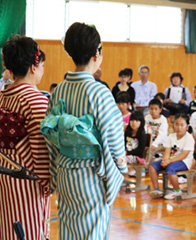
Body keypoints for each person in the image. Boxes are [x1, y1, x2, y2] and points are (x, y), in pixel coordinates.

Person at [40, 22, 127, 239]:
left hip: (65, 173)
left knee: (69, 230)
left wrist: (54, 173)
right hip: (91, 175)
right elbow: (114, 138)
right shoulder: (99, 92)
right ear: (96, 54)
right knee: (92, 233)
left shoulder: (59, 90)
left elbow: (51, 138)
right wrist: (121, 166)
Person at [0, 36, 50, 240]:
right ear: (33, 66)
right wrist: (48, 184)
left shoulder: (3, 96)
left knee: (6, 230)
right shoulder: (36, 100)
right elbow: (40, 151)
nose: (43, 70)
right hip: (27, 183)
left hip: (4, 177)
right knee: (28, 232)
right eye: (42, 65)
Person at [149, 113, 195, 199]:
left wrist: (169, 161)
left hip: (184, 162)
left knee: (170, 168)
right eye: (176, 124)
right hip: (171, 160)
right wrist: (165, 160)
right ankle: (157, 190)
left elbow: (184, 155)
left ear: (187, 127)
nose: (179, 127)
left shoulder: (189, 138)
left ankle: (177, 190)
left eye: (182, 125)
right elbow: (167, 151)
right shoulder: (171, 136)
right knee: (153, 166)